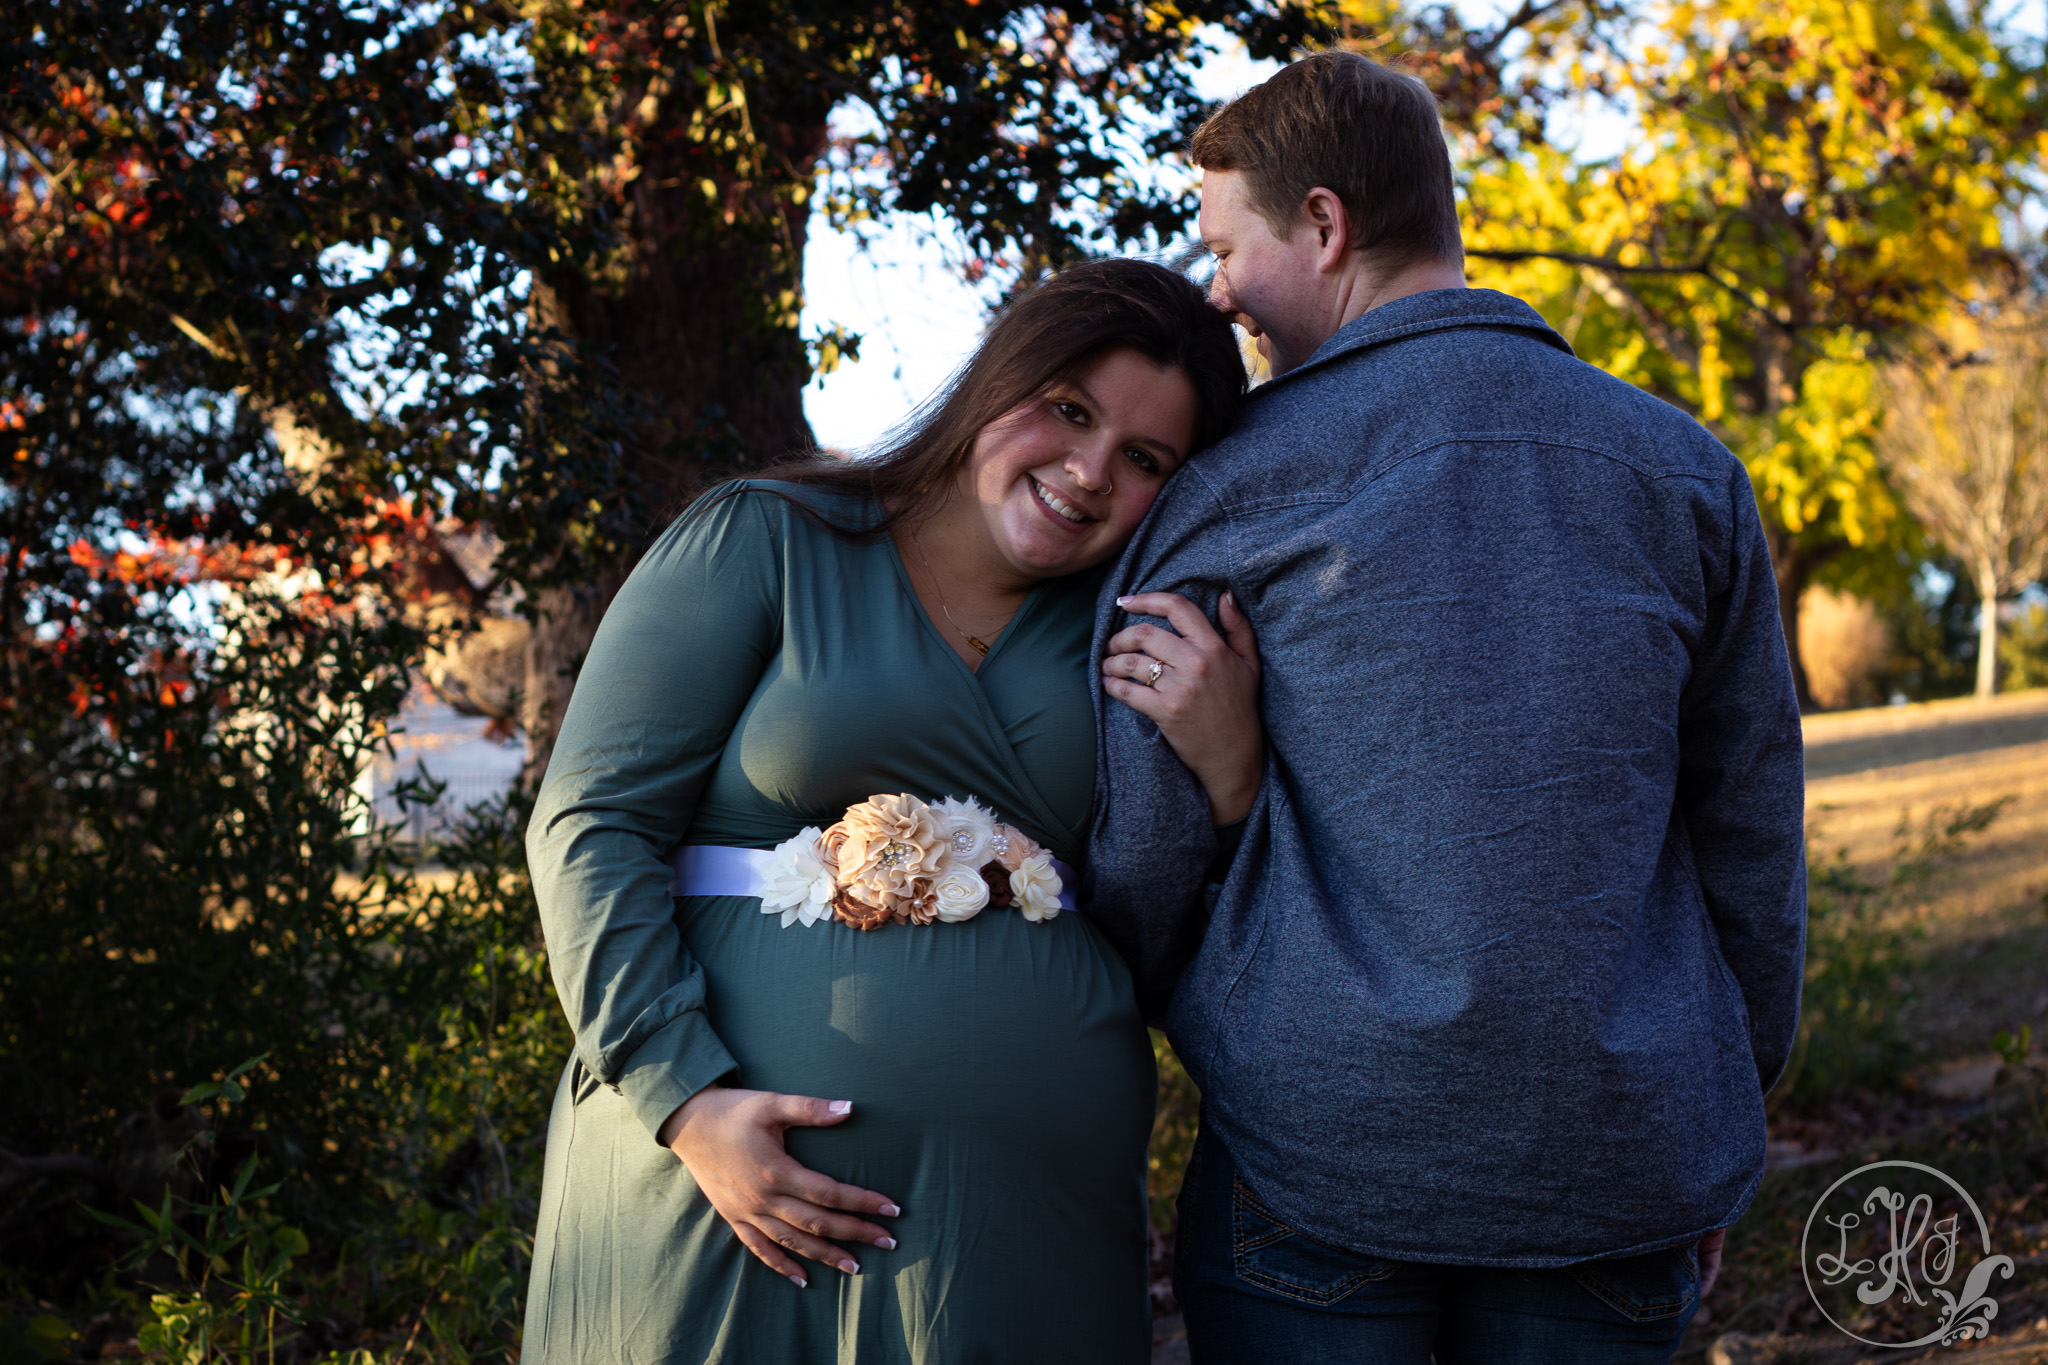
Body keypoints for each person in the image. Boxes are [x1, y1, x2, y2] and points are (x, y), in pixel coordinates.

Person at [1089, 51, 1807, 1364]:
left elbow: (1143, 852)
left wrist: (1216, 1009)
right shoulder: (1686, 473)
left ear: (1324, 224)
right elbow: (1751, 825)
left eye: (1226, 245)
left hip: (1316, 1143)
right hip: (1620, 1144)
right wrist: (1715, 1117)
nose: (1217, 290)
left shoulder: (1224, 495)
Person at [521, 258, 1264, 1364]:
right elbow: (589, 823)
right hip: (723, 1174)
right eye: (1069, 410)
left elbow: (1174, 918)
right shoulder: (769, 537)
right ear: (997, 378)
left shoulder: (1132, 635)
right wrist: (685, 1101)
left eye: (1144, 458)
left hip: (1015, 1226)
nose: (1088, 469)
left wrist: (1233, 770)